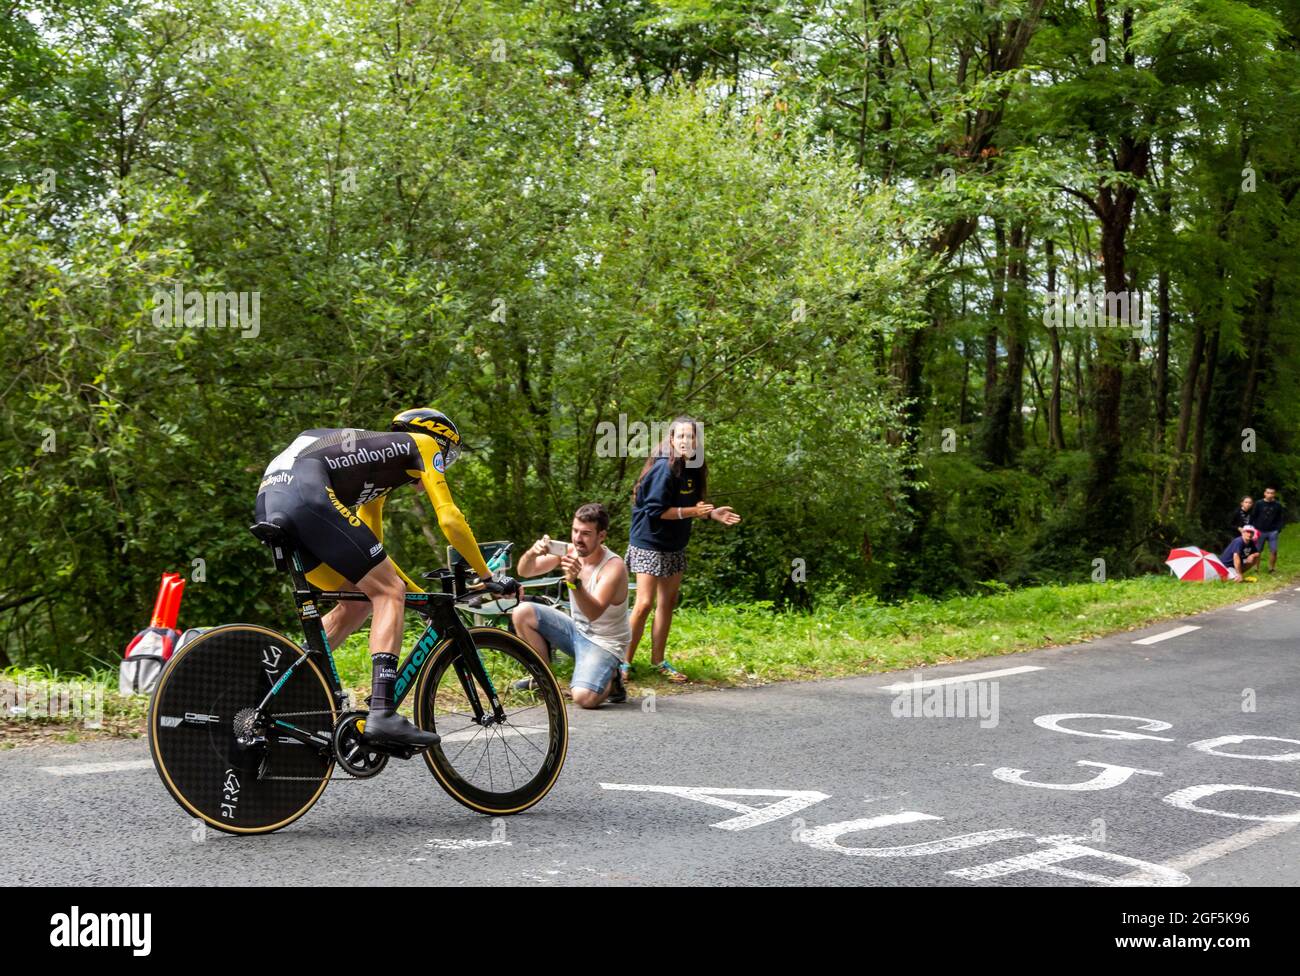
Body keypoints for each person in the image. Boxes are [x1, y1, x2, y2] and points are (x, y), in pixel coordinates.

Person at [254, 408, 515, 747]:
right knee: (388, 592)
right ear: (438, 440)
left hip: (272, 499)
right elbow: (450, 519)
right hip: (306, 494)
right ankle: (382, 712)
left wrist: (419, 596)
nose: (443, 464)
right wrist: (487, 575)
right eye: (448, 457)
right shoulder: (423, 443)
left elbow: (372, 554)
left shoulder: (372, 472)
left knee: (361, 601)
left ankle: (274, 691)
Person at [624, 416, 741, 683]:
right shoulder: (665, 467)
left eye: (691, 437)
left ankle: (658, 661)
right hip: (649, 541)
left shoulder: (695, 467)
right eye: (681, 437)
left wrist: (712, 514)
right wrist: (693, 512)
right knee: (643, 604)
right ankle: (623, 663)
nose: (687, 442)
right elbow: (654, 511)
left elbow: (695, 503)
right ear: (671, 439)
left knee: (668, 603)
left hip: (675, 542)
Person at [511, 504, 630, 708]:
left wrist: (574, 583)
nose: (577, 538)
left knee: (584, 699)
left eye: (586, 533)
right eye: (575, 530)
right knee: (522, 611)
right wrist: (532, 552)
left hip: (604, 643)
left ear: (601, 536)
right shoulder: (570, 551)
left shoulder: (613, 567)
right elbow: (525, 571)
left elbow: (593, 612)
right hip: (576, 631)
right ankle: (544, 682)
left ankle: (612, 677)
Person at [1251, 487, 1286, 573]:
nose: (1270, 495)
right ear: (1265, 493)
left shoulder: (1277, 505)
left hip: (1273, 531)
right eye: (1268, 493)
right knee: (1257, 551)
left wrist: (1278, 529)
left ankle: (1271, 568)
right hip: (1260, 530)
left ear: (1274, 494)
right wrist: (1253, 529)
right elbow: (1253, 516)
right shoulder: (1259, 503)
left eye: (1272, 493)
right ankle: (1256, 568)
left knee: (1274, 550)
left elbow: (1281, 518)